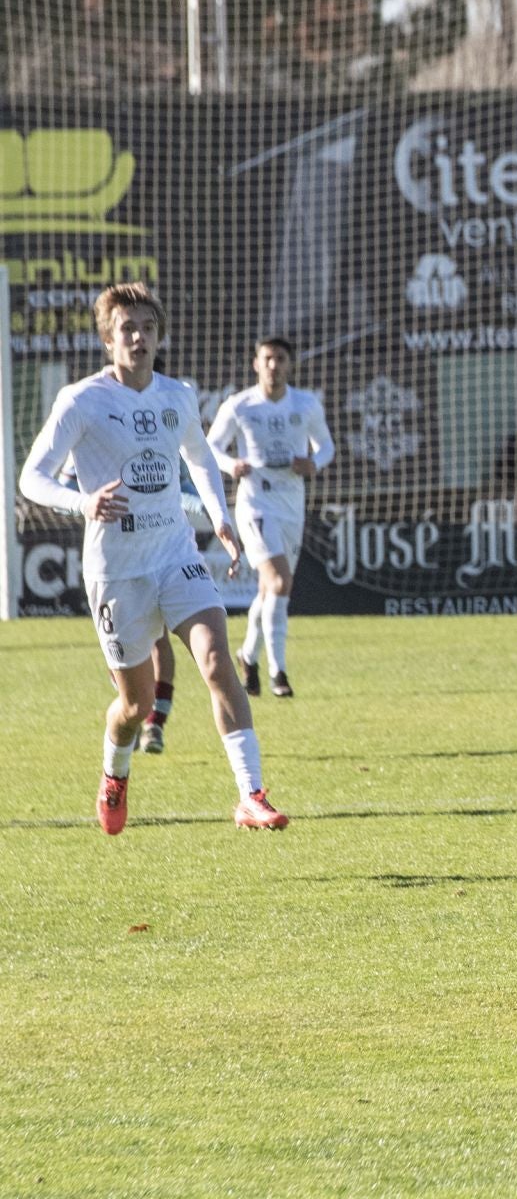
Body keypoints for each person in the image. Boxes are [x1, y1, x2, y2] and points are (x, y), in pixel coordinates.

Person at [19, 283, 288, 834]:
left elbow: (201, 459)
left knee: (216, 661)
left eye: (147, 327)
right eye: (127, 328)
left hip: (174, 552)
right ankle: (115, 774)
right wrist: (84, 502)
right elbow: (31, 478)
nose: (139, 337)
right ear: (108, 340)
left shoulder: (177, 395)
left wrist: (219, 517)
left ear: (160, 336)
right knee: (135, 706)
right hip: (116, 570)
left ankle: (251, 795)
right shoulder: (81, 400)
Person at [207, 337, 335, 699]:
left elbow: (326, 446)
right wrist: (232, 464)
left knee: (269, 590)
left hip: (292, 503)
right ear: (256, 363)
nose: (274, 365)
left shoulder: (306, 404)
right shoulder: (240, 405)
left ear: (290, 364)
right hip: (255, 502)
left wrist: (314, 462)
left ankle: (248, 655)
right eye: (267, 358)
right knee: (279, 582)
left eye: (280, 359)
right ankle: (279, 671)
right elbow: (211, 447)